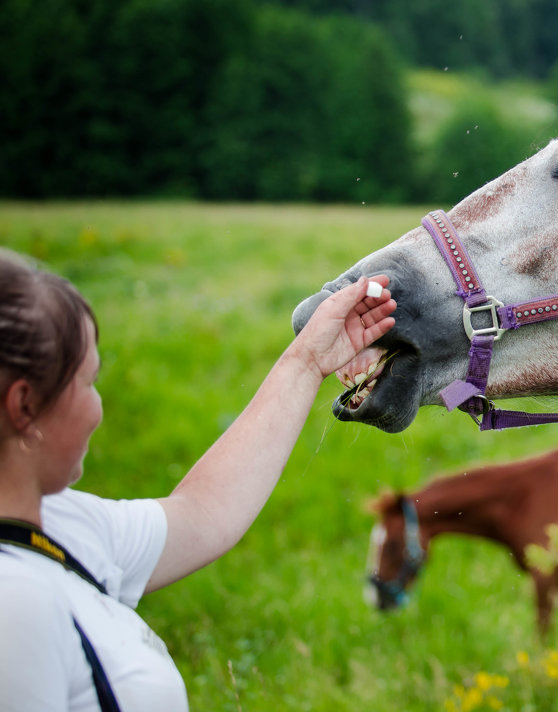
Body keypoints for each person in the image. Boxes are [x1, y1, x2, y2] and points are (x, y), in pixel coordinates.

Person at [0, 249, 396, 711]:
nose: (98, 409)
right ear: (25, 405)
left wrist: (307, 361)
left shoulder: (59, 523)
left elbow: (202, 514)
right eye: (88, 383)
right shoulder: (14, 600)